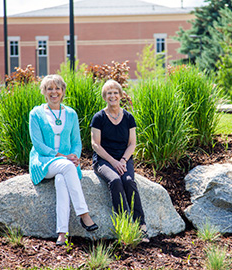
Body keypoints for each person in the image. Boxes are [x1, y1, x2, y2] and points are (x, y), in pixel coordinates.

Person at [29, 74, 98, 246]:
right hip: (44, 161)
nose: (54, 92)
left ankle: (61, 233)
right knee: (66, 167)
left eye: (57, 88)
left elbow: (76, 141)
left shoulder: (71, 114)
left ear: (63, 91)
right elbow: (37, 144)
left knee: (61, 181)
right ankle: (84, 214)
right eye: (49, 88)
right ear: (44, 92)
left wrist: (75, 156)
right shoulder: (36, 114)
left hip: (65, 164)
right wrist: (61, 157)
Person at [90, 79, 149, 243]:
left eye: (115, 92)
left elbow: (132, 144)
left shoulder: (129, 117)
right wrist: (113, 162)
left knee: (129, 181)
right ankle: (124, 225)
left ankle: (140, 225)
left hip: (124, 159)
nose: (113, 96)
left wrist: (122, 160)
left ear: (121, 95)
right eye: (109, 93)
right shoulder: (99, 117)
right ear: (104, 96)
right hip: (103, 160)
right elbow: (95, 144)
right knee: (115, 180)